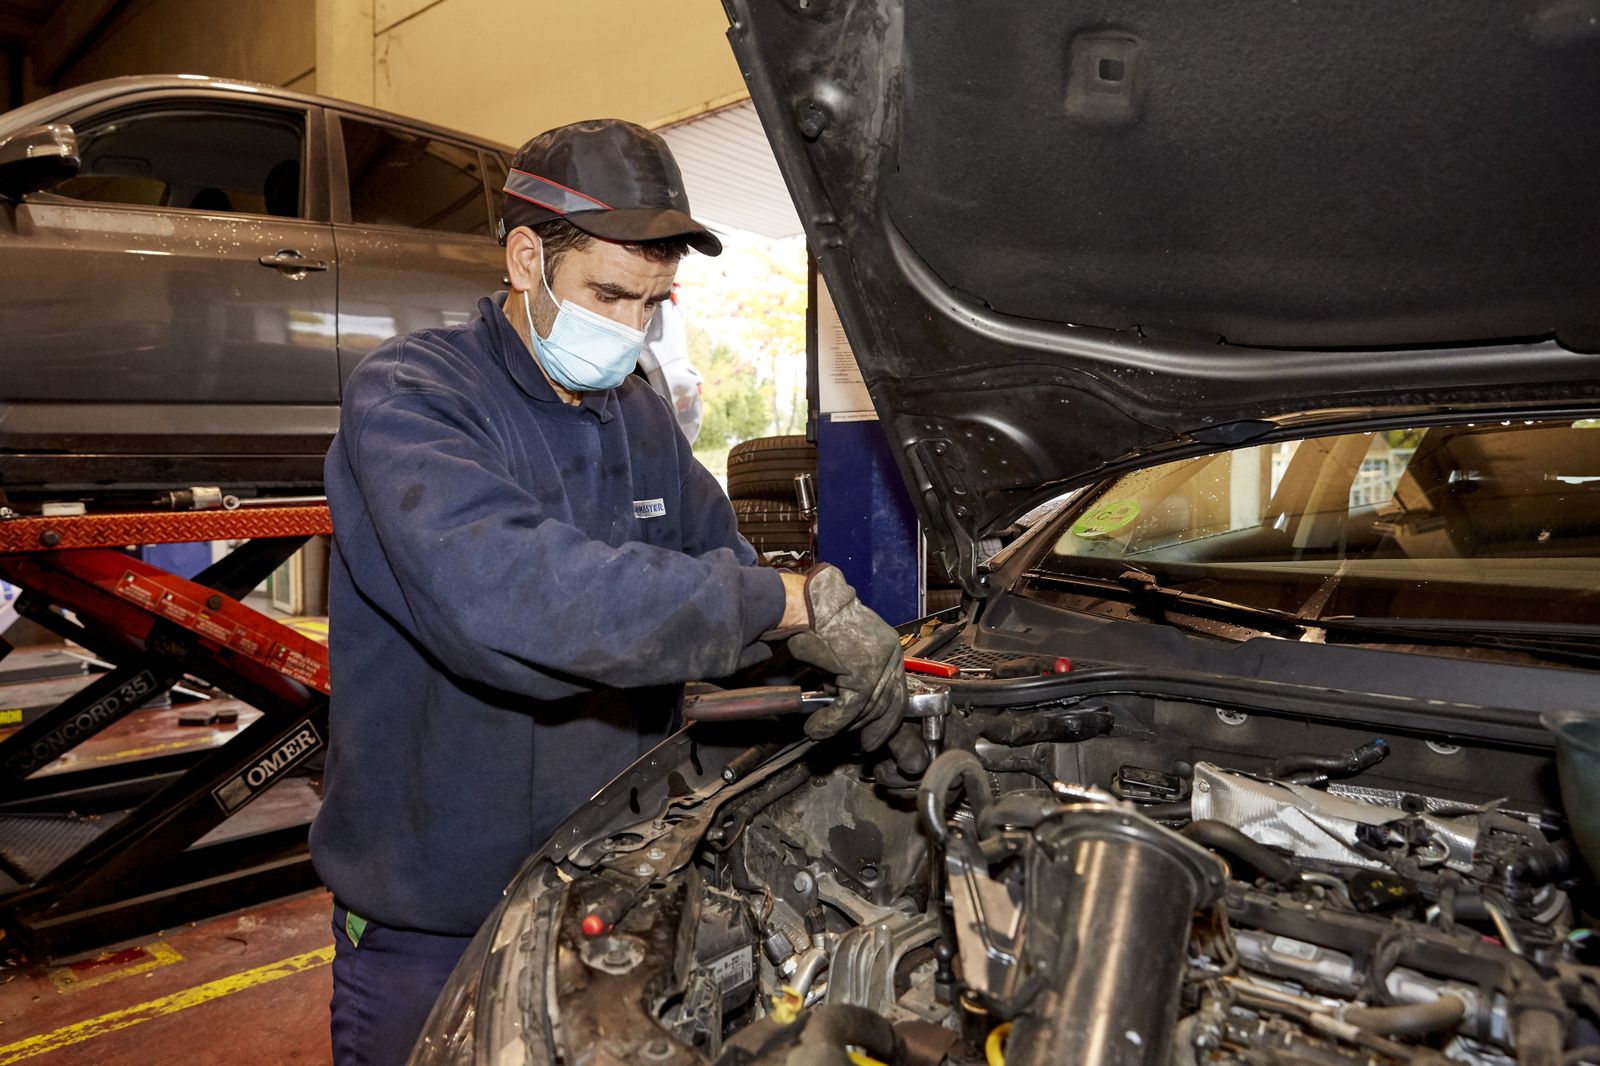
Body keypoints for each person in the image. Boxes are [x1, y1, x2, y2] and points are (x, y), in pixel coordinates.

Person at [309, 118, 906, 1066]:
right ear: (525, 259)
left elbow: (723, 581)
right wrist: (783, 604)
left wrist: (821, 658)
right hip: (438, 925)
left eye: (654, 303)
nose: (632, 329)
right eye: (609, 295)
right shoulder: (413, 397)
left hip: (614, 897)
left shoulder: (640, 414)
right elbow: (512, 603)